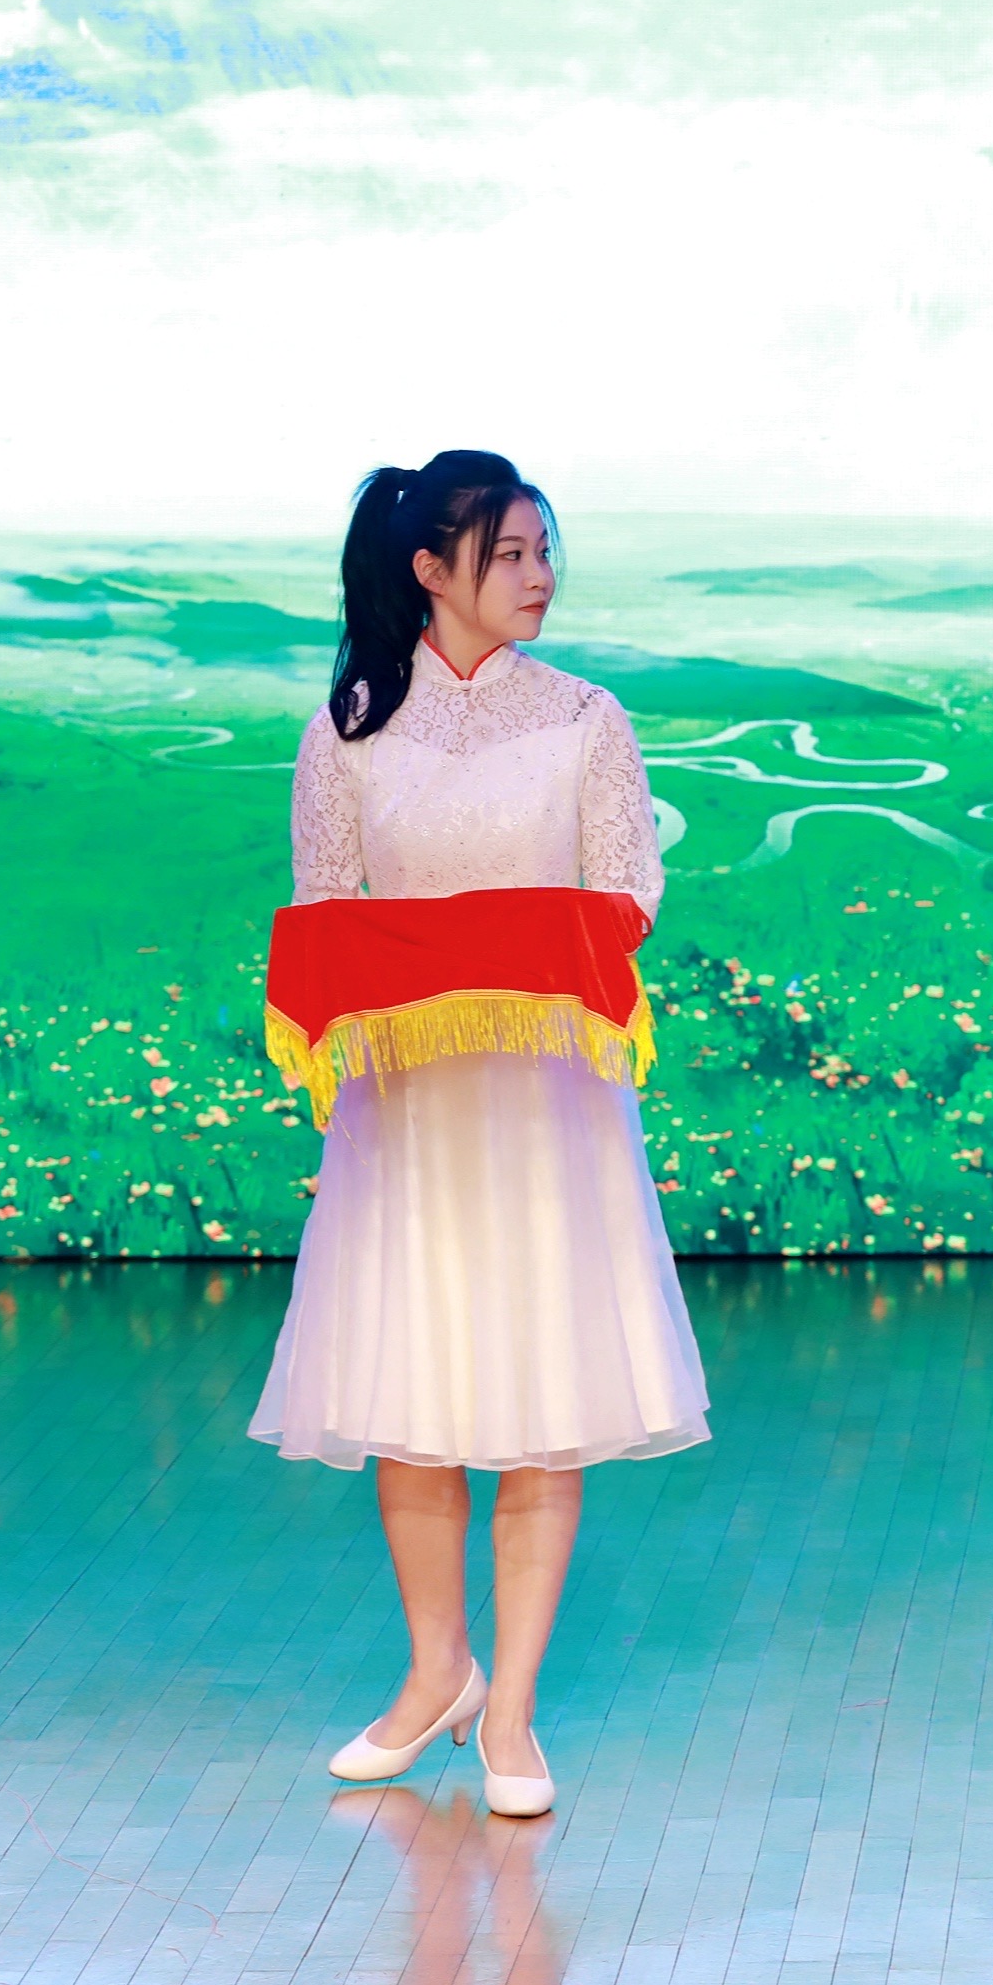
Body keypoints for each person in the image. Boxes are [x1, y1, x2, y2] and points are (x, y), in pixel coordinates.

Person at [251, 450, 709, 1818]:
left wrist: (487, 947)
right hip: (410, 1108)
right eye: (510, 553)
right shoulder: (346, 730)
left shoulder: (585, 718)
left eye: (543, 549)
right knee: (413, 1395)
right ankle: (435, 1670)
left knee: (543, 1401)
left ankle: (511, 1709)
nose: (538, 575)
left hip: (545, 1100)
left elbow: (627, 891)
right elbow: (326, 913)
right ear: (429, 569)